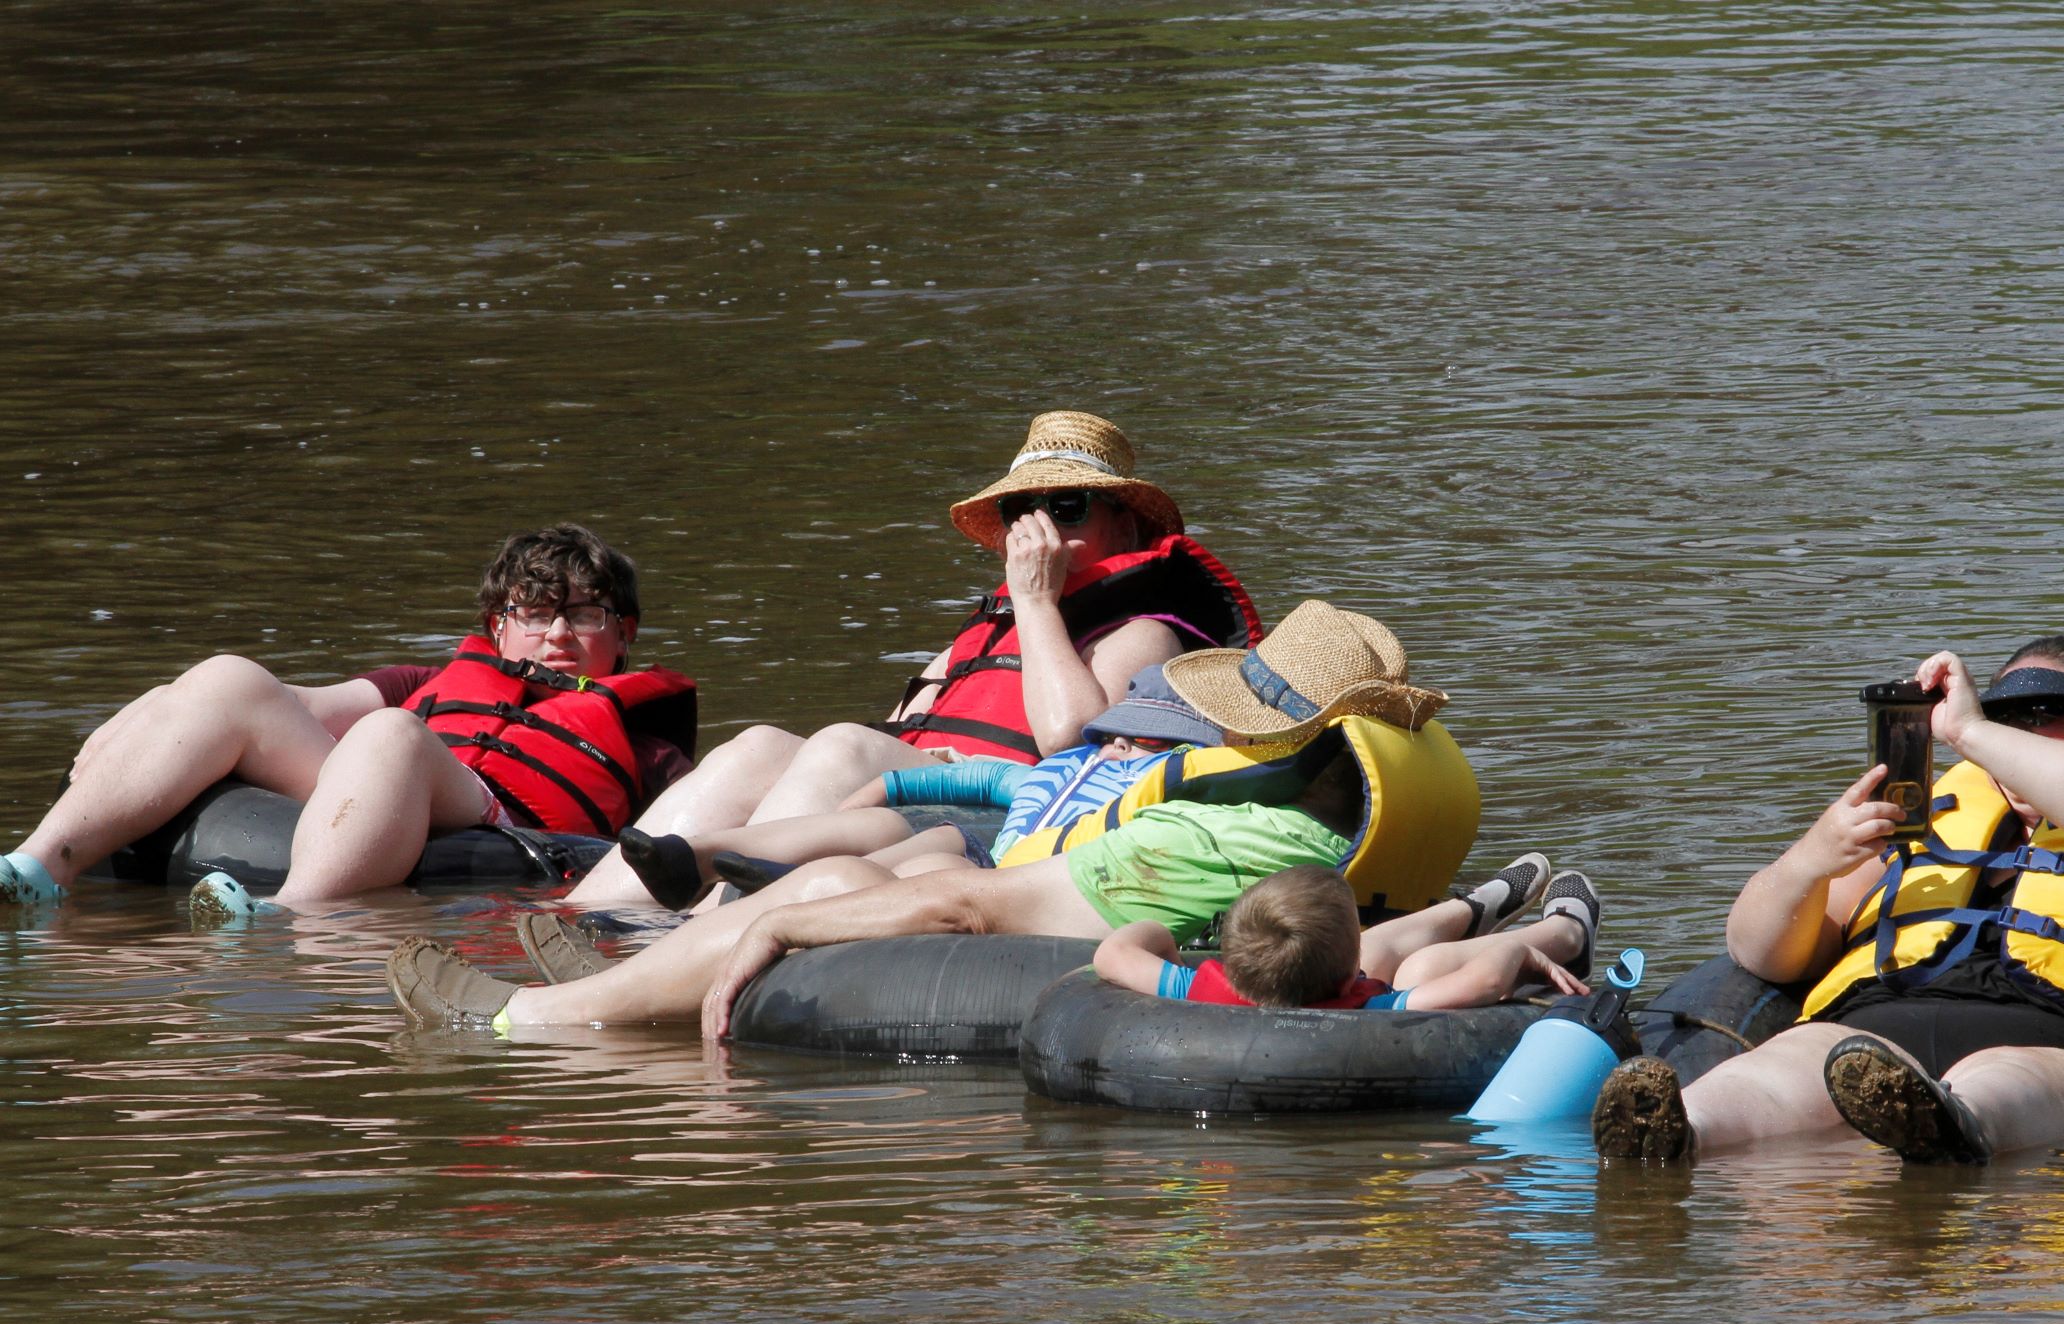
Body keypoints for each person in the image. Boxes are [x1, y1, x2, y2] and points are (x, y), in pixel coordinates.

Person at [387, 601, 1475, 1036]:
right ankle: (619, 996)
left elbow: (965, 908)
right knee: (834, 879)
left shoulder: (1229, 835)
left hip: (1019, 963)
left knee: (813, 895)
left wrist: (778, 929)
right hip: (1051, 924)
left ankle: (517, 1027)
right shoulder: (1319, 827)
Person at [1593, 636, 2064, 1165]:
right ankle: (1674, 1134)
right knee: (1780, 1068)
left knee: (2000, 1078)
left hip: (2058, 1032)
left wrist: (1971, 732)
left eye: (2043, 714)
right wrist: (1812, 859)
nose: (2018, 734)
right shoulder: (1926, 821)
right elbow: (1757, 951)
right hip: (1876, 1027)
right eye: (2003, 716)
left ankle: (1953, 1127)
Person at [560, 411, 1260, 907]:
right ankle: (594, 916)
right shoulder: (992, 624)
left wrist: (1037, 603)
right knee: (759, 745)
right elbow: (908, 724)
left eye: (1068, 506)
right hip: (912, 789)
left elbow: (1066, 742)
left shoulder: (1143, 630)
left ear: (1125, 525)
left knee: (840, 744)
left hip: (1010, 812)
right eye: (1024, 509)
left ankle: (697, 926)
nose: (1040, 526)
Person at [0, 525, 696, 910]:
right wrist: (140, 720)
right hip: (378, 801)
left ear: (623, 632)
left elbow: (665, 853)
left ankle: (286, 917)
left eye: (584, 615)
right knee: (229, 675)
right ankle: (38, 867)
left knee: (391, 731)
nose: (557, 635)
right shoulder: (429, 681)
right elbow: (291, 704)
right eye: (536, 613)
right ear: (497, 624)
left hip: (508, 834)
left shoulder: (647, 746)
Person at [611, 663, 1225, 911]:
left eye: (1146, 739)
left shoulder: (1167, 788)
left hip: (1028, 884)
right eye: (1117, 732)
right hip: (988, 856)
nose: (1120, 744)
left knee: (941, 847)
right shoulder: (1049, 772)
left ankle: (797, 887)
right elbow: (974, 776)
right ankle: (690, 859)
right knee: (892, 826)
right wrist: (883, 788)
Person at [1094, 859, 1601, 1012]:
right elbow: (1487, 983)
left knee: (1378, 951)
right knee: (1417, 969)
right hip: (1368, 1017)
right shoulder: (1367, 1010)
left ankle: (1468, 910)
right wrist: (1518, 949)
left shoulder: (1201, 989)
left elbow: (1113, 952)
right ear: (1344, 984)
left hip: (1277, 986)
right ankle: (1565, 935)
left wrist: (1161, 934)